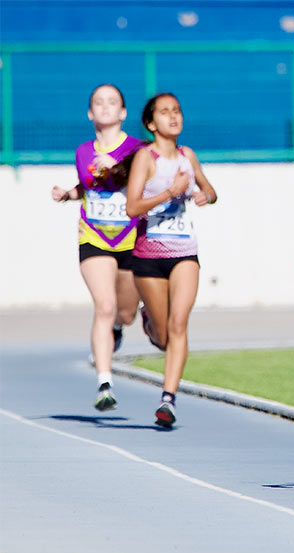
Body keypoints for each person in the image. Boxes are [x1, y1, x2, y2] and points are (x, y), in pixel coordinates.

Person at [125, 93, 218, 428]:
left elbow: (211, 191)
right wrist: (169, 192)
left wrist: (203, 195)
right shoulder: (145, 158)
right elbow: (132, 207)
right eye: (165, 112)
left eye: (177, 110)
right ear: (151, 123)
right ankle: (150, 320)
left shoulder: (187, 156)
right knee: (164, 336)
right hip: (148, 255)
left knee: (180, 324)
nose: (173, 116)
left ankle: (168, 399)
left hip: (184, 252)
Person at [51, 84, 143, 412]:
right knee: (104, 305)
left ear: (123, 112)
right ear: (90, 113)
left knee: (126, 313)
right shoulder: (82, 152)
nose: (105, 107)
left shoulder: (137, 149)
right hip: (94, 237)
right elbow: (89, 187)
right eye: (98, 103)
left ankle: (118, 328)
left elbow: (144, 183)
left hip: (130, 239)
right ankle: (105, 382)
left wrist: (116, 165)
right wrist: (69, 194)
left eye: (112, 102)